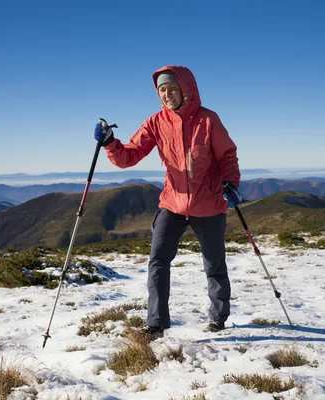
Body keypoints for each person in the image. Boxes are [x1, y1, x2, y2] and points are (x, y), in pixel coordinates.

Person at [94, 65, 241, 338]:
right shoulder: (156, 122)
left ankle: (218, 319)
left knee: (214, 264)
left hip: (208, 203)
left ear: (186, 89)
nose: (167, 94)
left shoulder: (208, 120)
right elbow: (130, 155)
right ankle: (156, 323)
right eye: (162, 90)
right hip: (172, 202)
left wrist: (230, 183)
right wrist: (110, 143)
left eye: (172, 88)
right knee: (158, 260)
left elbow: (227, 156)